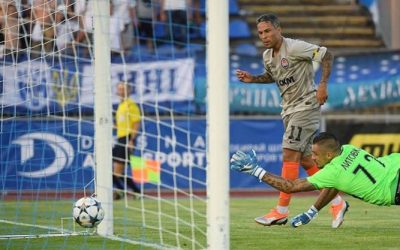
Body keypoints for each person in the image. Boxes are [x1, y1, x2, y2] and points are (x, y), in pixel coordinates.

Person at [235, 13, 347, 227]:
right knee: (305, 160)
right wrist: (253, 79)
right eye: (260, 33)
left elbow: (326, 54)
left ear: (278, 29)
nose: (264, 36)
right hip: (288, 110)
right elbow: (273, 76)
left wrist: (322, 84)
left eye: (268, 31)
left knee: (289, 152)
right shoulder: (267, 56)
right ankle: (337, 202)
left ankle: (281, 210)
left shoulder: (295, 47)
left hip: (306, 106)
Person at [230, 132, 400, 228]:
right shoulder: (348, 149)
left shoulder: (334, 171)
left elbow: (291, 186)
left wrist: (255, 170)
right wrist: (312, 212)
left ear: (328, 154)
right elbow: (335, 183)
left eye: (315, 154)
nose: (312, 158)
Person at [112, 81, 141, 200]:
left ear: (128, 91)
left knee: (116, 171)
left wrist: (131, 140)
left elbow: (136, 123)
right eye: (119, 89)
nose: (121, 91)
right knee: (117, 171)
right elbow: (121, 124)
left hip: (127, 139)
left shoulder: (131, 105)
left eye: (123, 89)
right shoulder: (120, 105)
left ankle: (122, 192)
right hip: (120, 138)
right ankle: (134, 191)